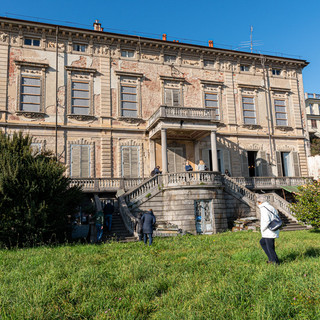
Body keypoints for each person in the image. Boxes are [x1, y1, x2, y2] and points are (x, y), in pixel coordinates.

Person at [257, 195, 280, 265]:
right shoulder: (270, 207)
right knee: (263, 242)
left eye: (258, 202)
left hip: (268, 230)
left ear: (260, 202)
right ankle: (272, 259)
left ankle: (275, 262)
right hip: (272, 229)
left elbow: (266, 220)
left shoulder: (263, 208)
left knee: (270, 247)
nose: (257, 203)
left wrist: (262, 228)